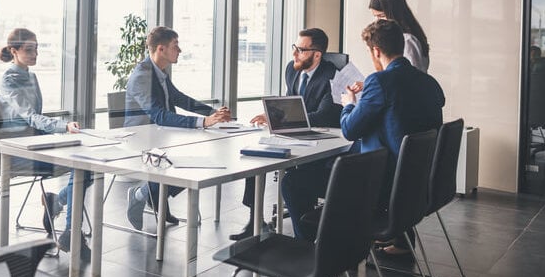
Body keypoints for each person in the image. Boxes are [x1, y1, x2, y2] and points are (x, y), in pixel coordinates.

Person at [339, 19, 444, 256]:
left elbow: (349, 130)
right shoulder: (428, 82)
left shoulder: (379, 81)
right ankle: (398, 238)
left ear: (376, 51)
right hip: (419, 179)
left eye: (370, 52)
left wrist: (348, 105)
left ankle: (334, 254)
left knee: (310, 179)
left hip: (386, 182)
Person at [124, 26, 232, 230]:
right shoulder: (142, 75)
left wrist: (213, 113)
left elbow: (179, 98)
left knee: (194, 162)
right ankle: (142, 194)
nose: (180, 50)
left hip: (160, 136)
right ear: (161, 49)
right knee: (186, 164)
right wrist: (202, 122)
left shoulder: (159, 72)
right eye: (176, 46)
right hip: (141, 140)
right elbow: (159, 115)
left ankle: (153, 195)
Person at [0, 28, 90, 260]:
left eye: (36, 48)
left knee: (87, 163)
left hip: (36, 143)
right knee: (82, 166)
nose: (35, 53)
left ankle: (58, 204)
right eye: (29, 49)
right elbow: (30, 116)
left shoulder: (31, 75)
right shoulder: (9, 78)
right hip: (18, 151)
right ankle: (70, 230)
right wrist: (63, 126)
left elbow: (35, 119)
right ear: (13, 51)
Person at [240, 28, 342, 240]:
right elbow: (290, 102)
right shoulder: (292, 69)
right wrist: (274, 114)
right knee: (256, 156)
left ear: (317, 54)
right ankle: (254, 220)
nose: (294, 54)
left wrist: (281, 119)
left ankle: (307, 236)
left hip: (322, 138)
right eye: (295, 48)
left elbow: (324, 115)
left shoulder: (332, 76)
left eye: (301, 50)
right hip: (293, 133)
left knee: (297, 181)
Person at [368, 0, 431, 73]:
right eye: (375, 17)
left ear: (394, 14)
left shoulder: (408, 41)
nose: (377, 22)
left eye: (381, 16)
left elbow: (412, 80)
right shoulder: (398, 38)